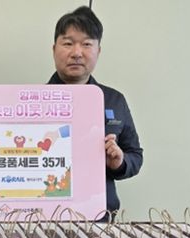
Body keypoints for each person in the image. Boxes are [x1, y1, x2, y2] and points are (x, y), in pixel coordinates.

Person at [48, 6, 143, 214]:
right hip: (45, 216)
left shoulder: (114, 100)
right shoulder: (30, 103)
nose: (77, 53)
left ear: (98, 51)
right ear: (54, 49)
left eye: (86, 44)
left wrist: (119, 162)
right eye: (68, 43)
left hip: (99, 218)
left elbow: (135, 155)